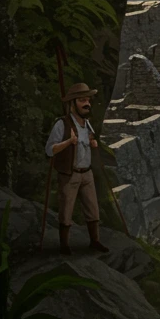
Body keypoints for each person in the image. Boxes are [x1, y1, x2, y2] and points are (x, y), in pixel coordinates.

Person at [45, 82, 109, 255]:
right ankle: (64, 245)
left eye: (87, 100)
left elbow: (90, 142)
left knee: (93, 209)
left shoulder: (87, 124)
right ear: (72, 103)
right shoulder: (62, 124)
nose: (86, 103)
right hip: (70, 174)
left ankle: (94, 241)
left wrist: (93, 143)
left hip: (86, 173)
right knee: (66, 211)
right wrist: (68, 142)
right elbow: (49, 150)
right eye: (82, 100)